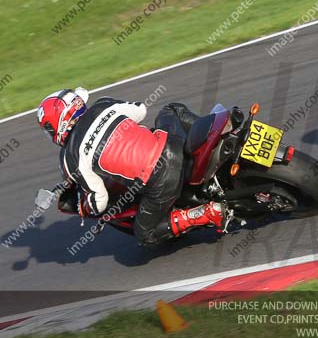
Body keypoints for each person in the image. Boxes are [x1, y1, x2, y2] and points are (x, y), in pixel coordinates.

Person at [36, 88, 226, 246]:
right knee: (171, 109)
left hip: (160, 178)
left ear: (58, 124)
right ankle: (213, 134)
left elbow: (99, 200)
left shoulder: (71, 158)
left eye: (48, 129)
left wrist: (84, 208)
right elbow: (141, 110)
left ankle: (205, 213)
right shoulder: (103, 105)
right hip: (171, 143)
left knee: (145, 234)